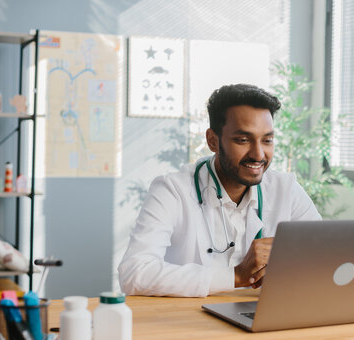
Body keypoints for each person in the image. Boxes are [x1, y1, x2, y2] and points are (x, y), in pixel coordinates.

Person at [118, 84, 321, 297]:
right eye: (243, 140)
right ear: (213, 140)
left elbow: (325, 256)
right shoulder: (172, 190)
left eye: (267, 140)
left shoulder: (286, 189)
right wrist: (236, 276)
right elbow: (134, 273)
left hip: (260, 315)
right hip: (186, 321)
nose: (258, 154)